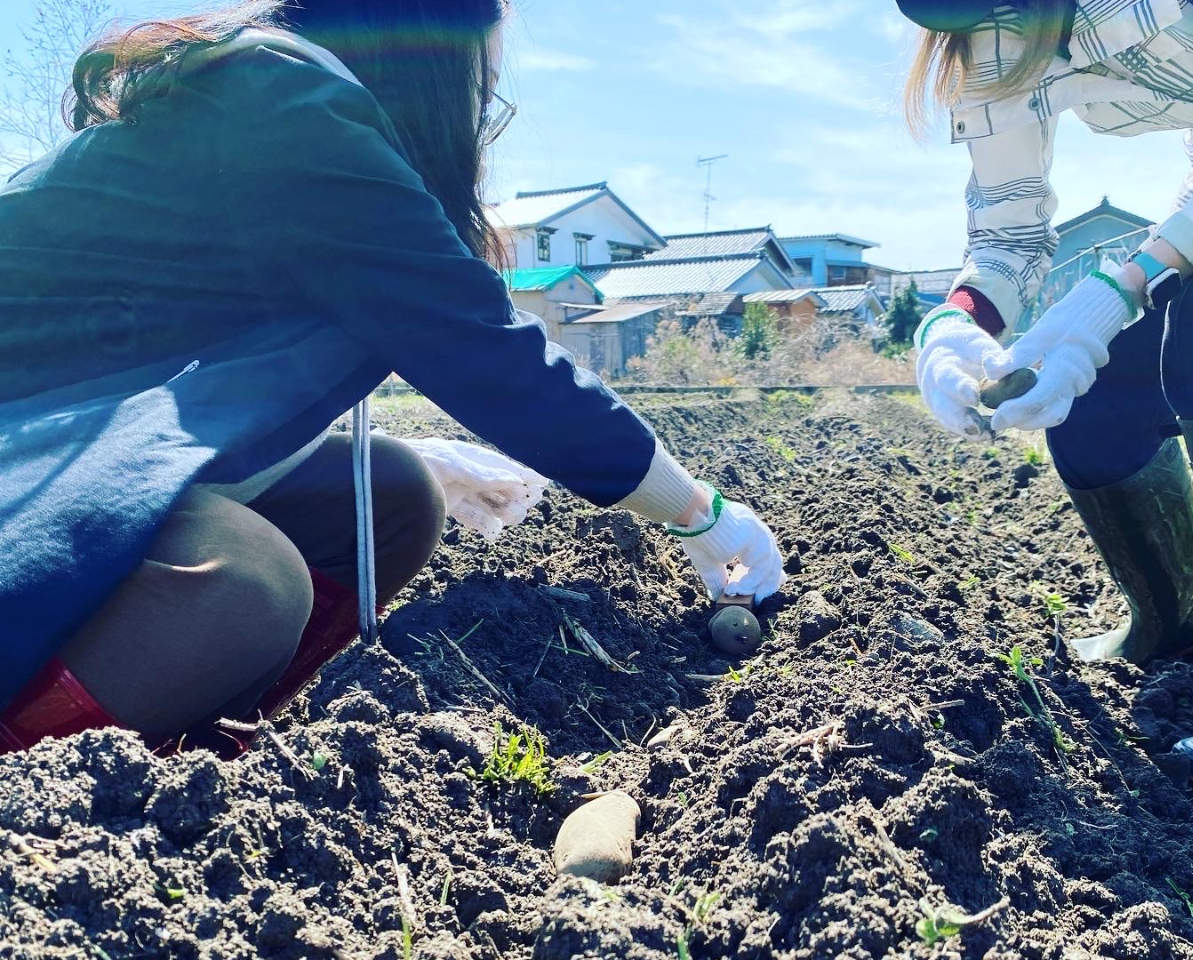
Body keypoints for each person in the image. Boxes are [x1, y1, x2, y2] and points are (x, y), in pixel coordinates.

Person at [0, 0, 785, 758]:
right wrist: (699, 514)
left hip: (46, 451)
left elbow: (147, 372)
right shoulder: (288, 109)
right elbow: (486, 353)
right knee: (248, 586)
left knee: (389, 492)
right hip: (23, 474)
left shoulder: (267, 95)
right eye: (482, 80)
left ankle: (195, 755)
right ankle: (53, 801)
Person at [897, 0, 1193, 804]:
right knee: (1099, 393)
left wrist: (1123, 285)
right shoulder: (987, 35)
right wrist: (953, 321)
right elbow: (1010, 228)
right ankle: (1172, 618)